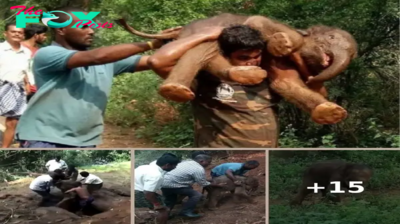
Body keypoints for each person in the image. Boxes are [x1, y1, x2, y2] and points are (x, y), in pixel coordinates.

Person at [14, 6, 182, 148]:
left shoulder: (107, 61)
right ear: (61, 30)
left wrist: (181, 42)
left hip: (85, 140)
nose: (91, 31)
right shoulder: (48, 54)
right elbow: (97, 56)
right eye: (84, 26)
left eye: (92, 26)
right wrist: (151, 43)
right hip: (45, 138)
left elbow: (154, 61)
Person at [148, 25, 280, 148]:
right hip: (220, 151)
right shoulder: (205, 78)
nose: (252, 62)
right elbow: (158, 62)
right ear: (225, 55)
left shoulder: (267, 75)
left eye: (257, 56)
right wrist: (204, 36)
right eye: (243, 58)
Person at [160, 154, 225, 218]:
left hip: (164, 183)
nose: (209, 164)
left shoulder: (187, 162)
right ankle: (186, 211)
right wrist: (218, 185)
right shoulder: (198, 169)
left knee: (171, 199)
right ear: (202, 161)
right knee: (196, 195)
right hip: (174, 185)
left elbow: (196, 178)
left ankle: (165, 215)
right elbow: (203, 183)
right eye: (208, 162)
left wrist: (208, 180)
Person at [0, 22, 32, 148]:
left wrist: (27, 83)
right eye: (14, 32)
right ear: (5, 33)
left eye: (20, 32)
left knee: (12, 122)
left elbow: (25, 70)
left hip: (17, 89)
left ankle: (4, 148)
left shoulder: (26, 52)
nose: (17, 34)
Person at [135, 154, 181, 224]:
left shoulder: (144, 167)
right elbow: (148, 193)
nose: (175, 167)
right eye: (174, 165)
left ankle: (156, 214)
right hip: (139, 193)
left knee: (160, 201)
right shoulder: (156, 175)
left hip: (134, 188)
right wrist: (157, 204)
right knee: (164, 210)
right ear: (167, 165)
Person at [21, 24, 48, 102]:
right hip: (24, 90)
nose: (45, 37)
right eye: (44, 35)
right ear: (36, 35)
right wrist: (26, 84)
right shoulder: (20, 48)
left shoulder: (38, 50)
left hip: (37, 89)